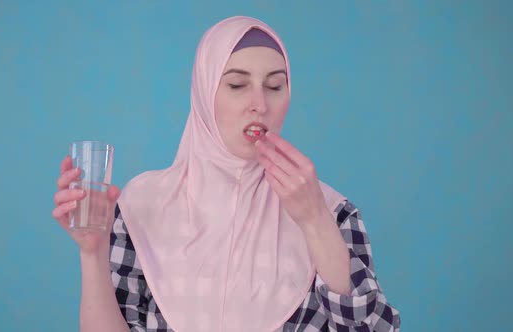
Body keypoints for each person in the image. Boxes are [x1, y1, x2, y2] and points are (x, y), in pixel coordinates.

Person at [52, 15, 401, 332]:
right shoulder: (141, 204)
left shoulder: (332, 211)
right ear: (204, 94)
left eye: (275, 86)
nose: (260, 105)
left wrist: (314, 221)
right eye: (237, 85)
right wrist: (92, 254)